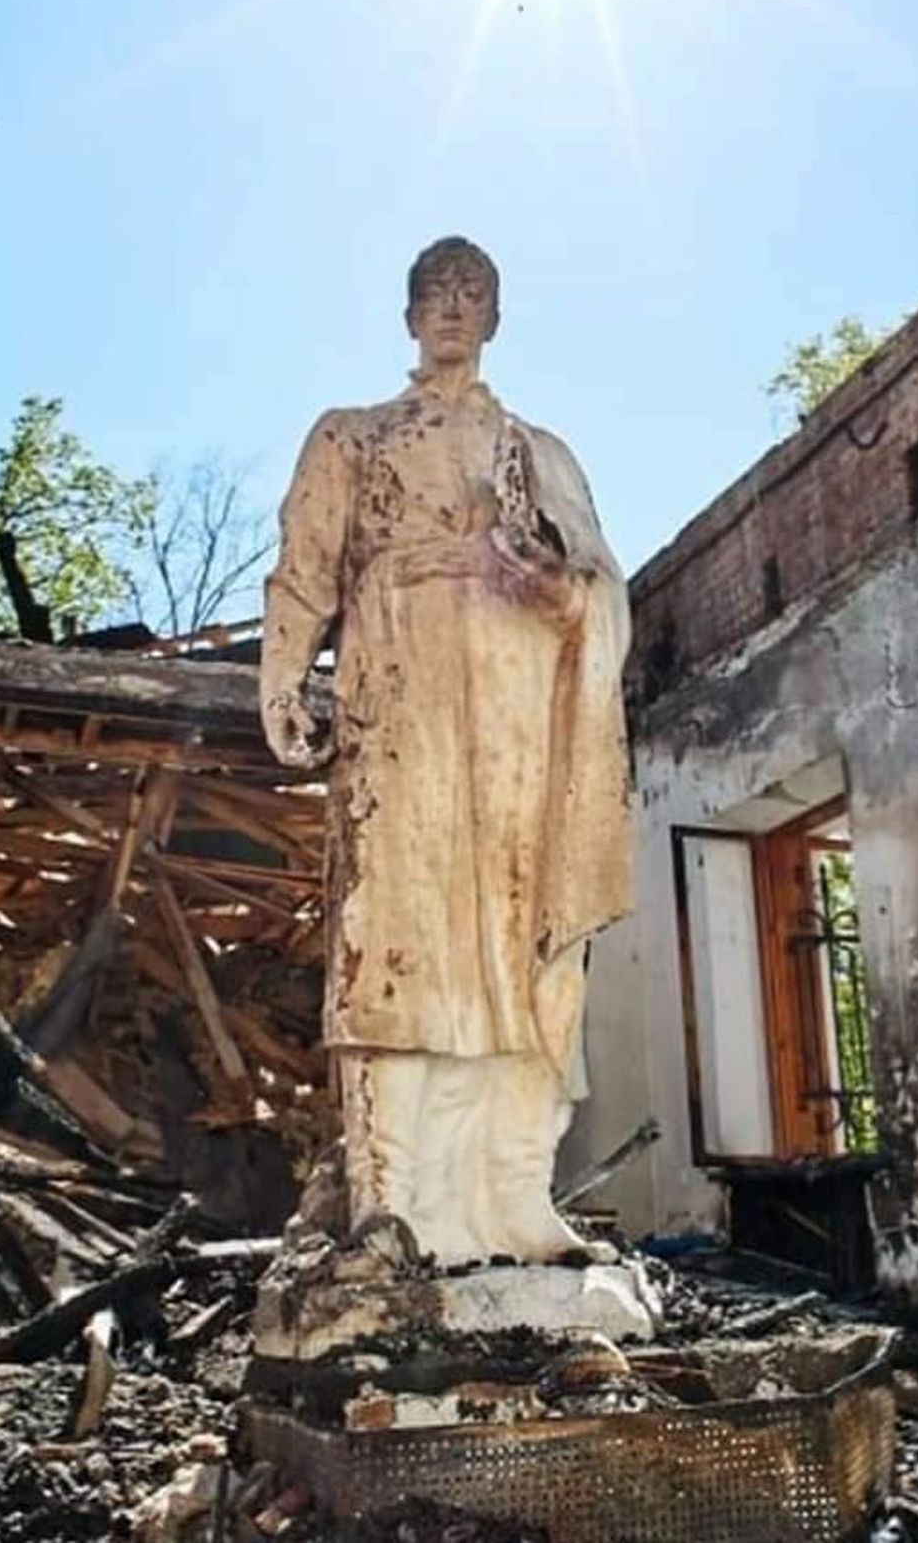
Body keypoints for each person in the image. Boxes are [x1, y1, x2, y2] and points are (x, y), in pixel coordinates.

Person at [260, 236, 632, 1266]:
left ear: (497, 316)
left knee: (521, 942)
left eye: (473, 294)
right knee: (394, 932)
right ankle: (391, 1200)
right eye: (435, 292)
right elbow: (303, 570)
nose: (453, 308)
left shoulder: (536, 453)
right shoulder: (355, 436)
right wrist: (283, 678)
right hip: (402, 699)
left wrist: (549, 579)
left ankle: (514, 1196)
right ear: (408, 312)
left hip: (514, 715)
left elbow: (598, 590)